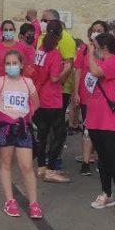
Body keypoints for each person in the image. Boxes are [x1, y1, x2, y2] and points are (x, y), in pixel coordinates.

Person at [0, 50, 43, 219]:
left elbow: (36, 103)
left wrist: (26, 116)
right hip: (4, 128)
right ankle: (10, 200)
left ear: (21, 65)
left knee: (27, 166)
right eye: (8, 63)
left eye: (14, 63)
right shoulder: (0, 83)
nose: (11, 66)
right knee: (6, 163)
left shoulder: (28, 82)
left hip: (22, 128)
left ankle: (34, 203)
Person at [85, 33, 115, 216]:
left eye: (95, 46)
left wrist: (90, 54)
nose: (93, 48)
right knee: (103, 159)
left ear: (103, 48)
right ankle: (106, 192)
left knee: (114, 159)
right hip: (95, 118)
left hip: (112, 120)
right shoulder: (99, 62)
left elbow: (96, 73)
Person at [32, 18, 73, 183]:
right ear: (60, 34)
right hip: (52, 97)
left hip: (39, 95)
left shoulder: (40, 50)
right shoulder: (54, 54)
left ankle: (41, 166)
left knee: (42, 132)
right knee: (59, 133)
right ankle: (51, 169)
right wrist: (67, 69)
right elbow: (55, 78)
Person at [40, 9, 79, 176]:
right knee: (56, 131)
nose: (41, 22)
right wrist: (65, 71)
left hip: (54, 92)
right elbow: (57, 76)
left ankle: (46, 163)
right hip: (51, 93)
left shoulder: (62, 42)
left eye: (45, 20)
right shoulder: (49, 48)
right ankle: (50, 165)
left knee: (46, 130)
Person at [72, 21, 107, 176]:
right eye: (94, 30)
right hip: (87, 95)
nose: (96, 33)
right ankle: (86, 162)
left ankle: (101, 159)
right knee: (88, 129)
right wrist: (76, 93)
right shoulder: (85, 49)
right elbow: (78, 71)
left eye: (100, 30)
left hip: (104, 96)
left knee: (102, 130)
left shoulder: (108, 50)